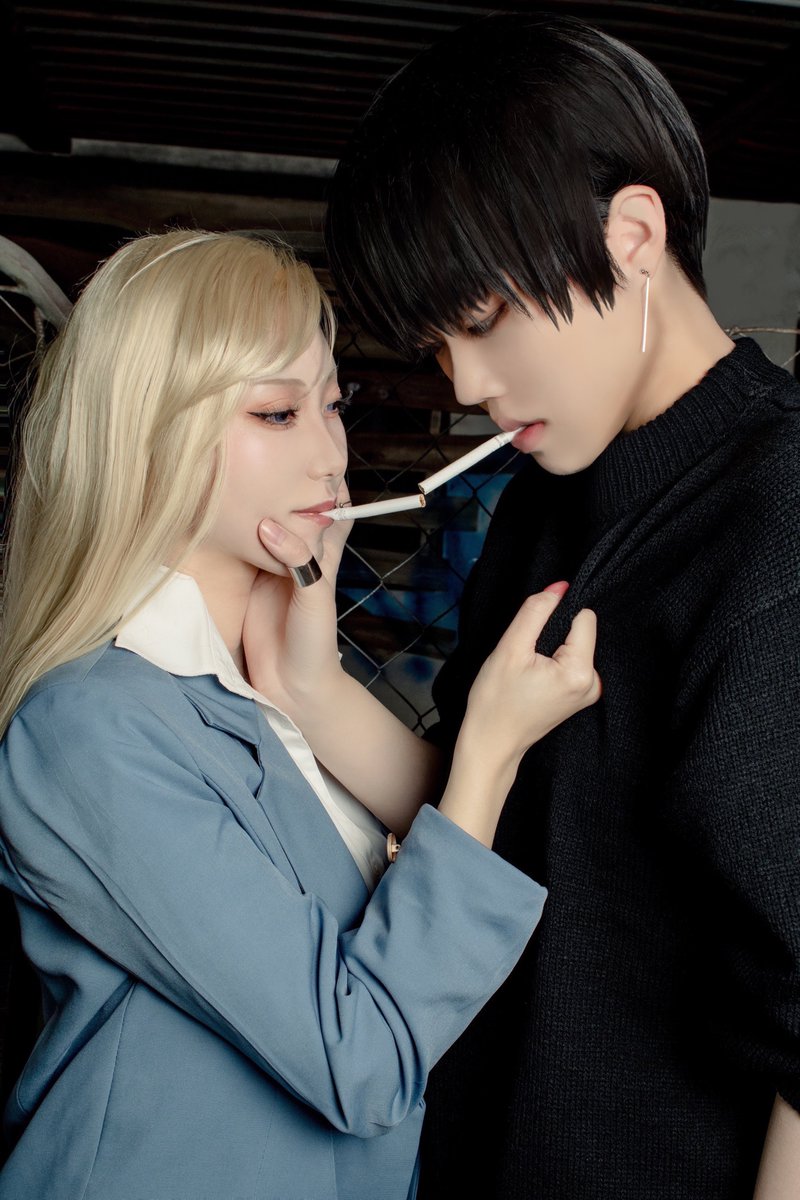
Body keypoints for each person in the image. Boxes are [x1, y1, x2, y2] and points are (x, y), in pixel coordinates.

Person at [0, 229, 600, 1200]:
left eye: (331, 404)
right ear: (145, 433)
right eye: (276, 412)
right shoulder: (90, 730)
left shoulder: (259, 683)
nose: (330, 455)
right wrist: (487, 746)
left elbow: (484, 877)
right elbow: (361, 1059)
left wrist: (313, 693)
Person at [324, 12, 800, 1199]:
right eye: (435, 344)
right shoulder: (548, 498)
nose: (465, 384)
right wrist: (294, 675)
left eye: (483, 318)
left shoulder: (776, 525)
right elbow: (485, 816)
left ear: (630, 235)